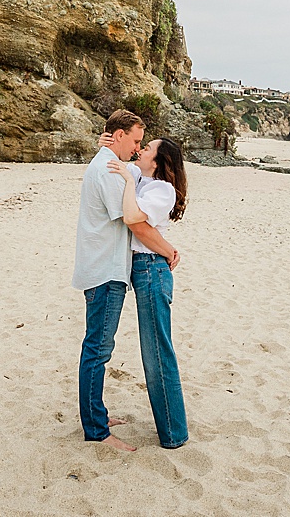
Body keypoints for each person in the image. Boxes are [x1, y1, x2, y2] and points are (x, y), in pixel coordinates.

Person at [72, 110, 175, 451]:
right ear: (117, 136)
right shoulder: (108, 170)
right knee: (98, 350)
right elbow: (135, 223)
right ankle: (97, 431)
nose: (136, 148)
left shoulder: (110, 163)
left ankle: (96, 415)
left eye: (142, 144)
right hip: (105, 269)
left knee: (99, 347)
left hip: (106, 267)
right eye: (134, 140)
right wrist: (169, 251)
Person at [107, 136, 190, 449]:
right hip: (143, 269)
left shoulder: (161, 189)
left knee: (157, 352)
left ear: (158, 161)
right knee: (153, 350)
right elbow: (119, 160)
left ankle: (174, 433)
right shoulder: (142, 177)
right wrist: (108, 140)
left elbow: (135, 221)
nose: (141, 151)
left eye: (148, 148)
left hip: (152, 269)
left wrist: (168, 250)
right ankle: (172, 428)